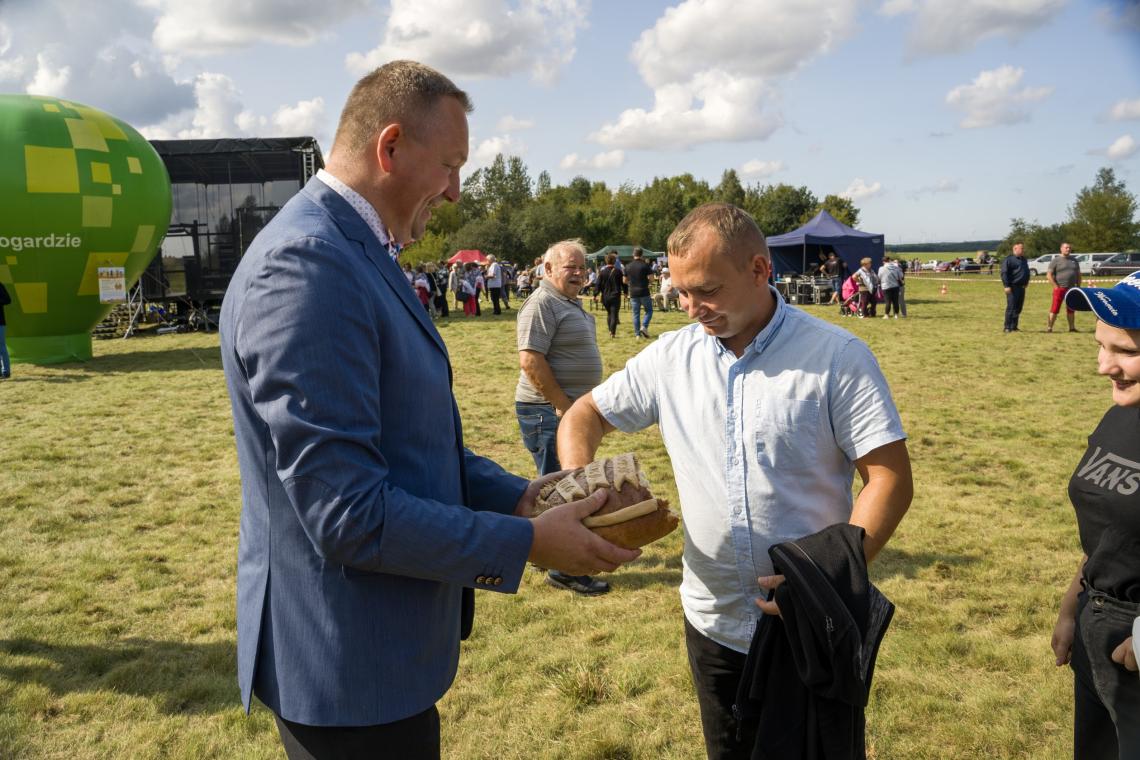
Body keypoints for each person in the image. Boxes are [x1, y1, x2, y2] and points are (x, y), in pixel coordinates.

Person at [218, 60, 638, 760]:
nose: (456, 191)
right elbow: (348, 513)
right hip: (347, 666)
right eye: (449, 166)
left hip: (380, 658)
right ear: (389, 148)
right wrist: (530, 544)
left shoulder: (353, 249)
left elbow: (414, 443)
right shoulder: (308, 266)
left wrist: (524, 498)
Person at [556, 203, 913, 760]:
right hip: (713, 621)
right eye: (679, 292)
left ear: (758, 270)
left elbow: (889, 479)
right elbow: (584, 415)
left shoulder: (837, 357)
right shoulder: (672, 357)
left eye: (706, 290)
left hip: (808, 626)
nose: (692, 308)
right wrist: (586, 490)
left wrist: (828, 577)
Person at [1053, 272, 1140, 759]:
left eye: (1125, 351)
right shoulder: (1122, 411)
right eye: (1099, 345)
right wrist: (1073, 608)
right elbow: (1111, 534)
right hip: (1096, 627)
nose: (1104, 366)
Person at [515, 239, 610, 597]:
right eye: (570, 266)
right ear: (548, 269)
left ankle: (544, 548)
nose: (578, 273)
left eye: (582, 267)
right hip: (549, 412)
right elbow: (530, 360)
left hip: (566, 411)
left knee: (554, 485)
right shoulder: (541, 303)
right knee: (567, 488)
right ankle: (567, 568)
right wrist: (564, 407)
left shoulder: (565, 302)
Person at [1047, 242, 1082, 333]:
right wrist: (1055, 286)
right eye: (1066, 248)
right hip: (1060, 288)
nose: (1068, 249)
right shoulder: (1056, 260)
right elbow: (1049, 275)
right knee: (1054, 308)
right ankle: (1049, 328)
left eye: (1069, 248)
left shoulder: (1074, 260)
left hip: (1072, 289)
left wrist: (1078, 287)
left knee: (1071, 309)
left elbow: (1078, 275)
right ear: (1061, 249)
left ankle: (1072, 328)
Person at [1001, 242, 1031, 332]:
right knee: (1011, 307)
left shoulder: (1024, 259)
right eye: (1021, 248)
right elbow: (1004, 273)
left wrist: (1026, 281)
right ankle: (1007, 327)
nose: (1023, 250)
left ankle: (1014, 326)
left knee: (1018, 307)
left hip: (1022, 287)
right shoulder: (1009, 260)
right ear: (1015, 249)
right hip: (1013, 286)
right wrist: (1006, 286)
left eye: (1023, 248)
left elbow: (1026, 271)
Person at [625, 246, 653, 339]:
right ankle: (644, 326)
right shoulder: (645, 265)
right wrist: (647, 282)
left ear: (633, 254)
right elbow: (651, 279)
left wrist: (632, 282)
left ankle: (637, 334)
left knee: (636, 314)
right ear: (642, 255)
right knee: (649, 311)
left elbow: (624, 280)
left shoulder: (628, 266)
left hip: (633, 292)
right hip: (644, 291)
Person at [596, 252, 623, 339]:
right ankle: (612, 332)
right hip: (615, 296)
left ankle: (610, 330)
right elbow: (623, 284)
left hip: (605, 297)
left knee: (609, 314)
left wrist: (595, 294)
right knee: (614, 314)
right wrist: (626, 292)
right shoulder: (618, 272)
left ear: (606, 261)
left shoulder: (602, 272)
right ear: (615, 261)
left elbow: (598, 284)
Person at [878, 255, 903, 319]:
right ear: (889, 260)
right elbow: (900, 276)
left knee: (888, 301)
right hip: (895, 286)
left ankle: (886, 315)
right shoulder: (896, 267)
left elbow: (879, 277)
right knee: (895, 301)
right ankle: (896, 315)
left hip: (886, 286)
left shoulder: (881, 268)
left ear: (883, 261)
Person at [0, 281, 10, 379]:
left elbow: (8, 300)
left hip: (0, 322)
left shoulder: (0, 285)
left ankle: (6, 371)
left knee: (1, 347)